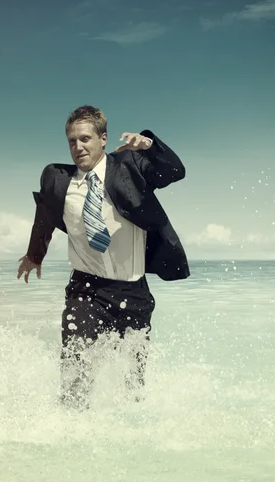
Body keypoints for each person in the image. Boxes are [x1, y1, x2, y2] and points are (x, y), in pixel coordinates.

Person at [17, 105, 189, 409]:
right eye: (72, 141)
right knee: (74, 375)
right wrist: (34, 255)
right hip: (85, 290)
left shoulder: (130, 166)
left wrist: (147, 145)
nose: (78, 147)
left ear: (103, 139)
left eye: (85, 139)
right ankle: (71, 434)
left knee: (131, 386)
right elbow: (43, 216)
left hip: (133, 293)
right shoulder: (57, 179)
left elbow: (174, 172)